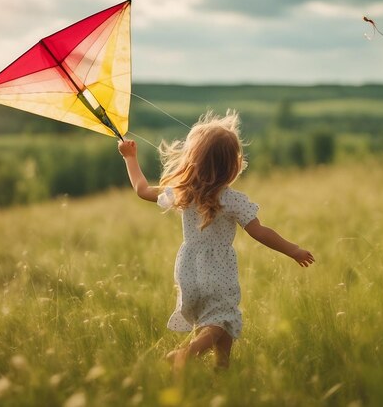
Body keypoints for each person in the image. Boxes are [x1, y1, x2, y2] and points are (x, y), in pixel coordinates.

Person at [117, 110, 314, 373]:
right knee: (222, 319)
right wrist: (293, 249)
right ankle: (187, 353)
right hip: (218, 269)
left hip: (187, 269)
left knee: (216, 322)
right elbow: (260, 231)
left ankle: (222, 373)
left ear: (193, 160)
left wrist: (130, 158)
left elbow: (141, 190)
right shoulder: (232, 200)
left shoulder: (183, 193)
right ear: (232, 165)